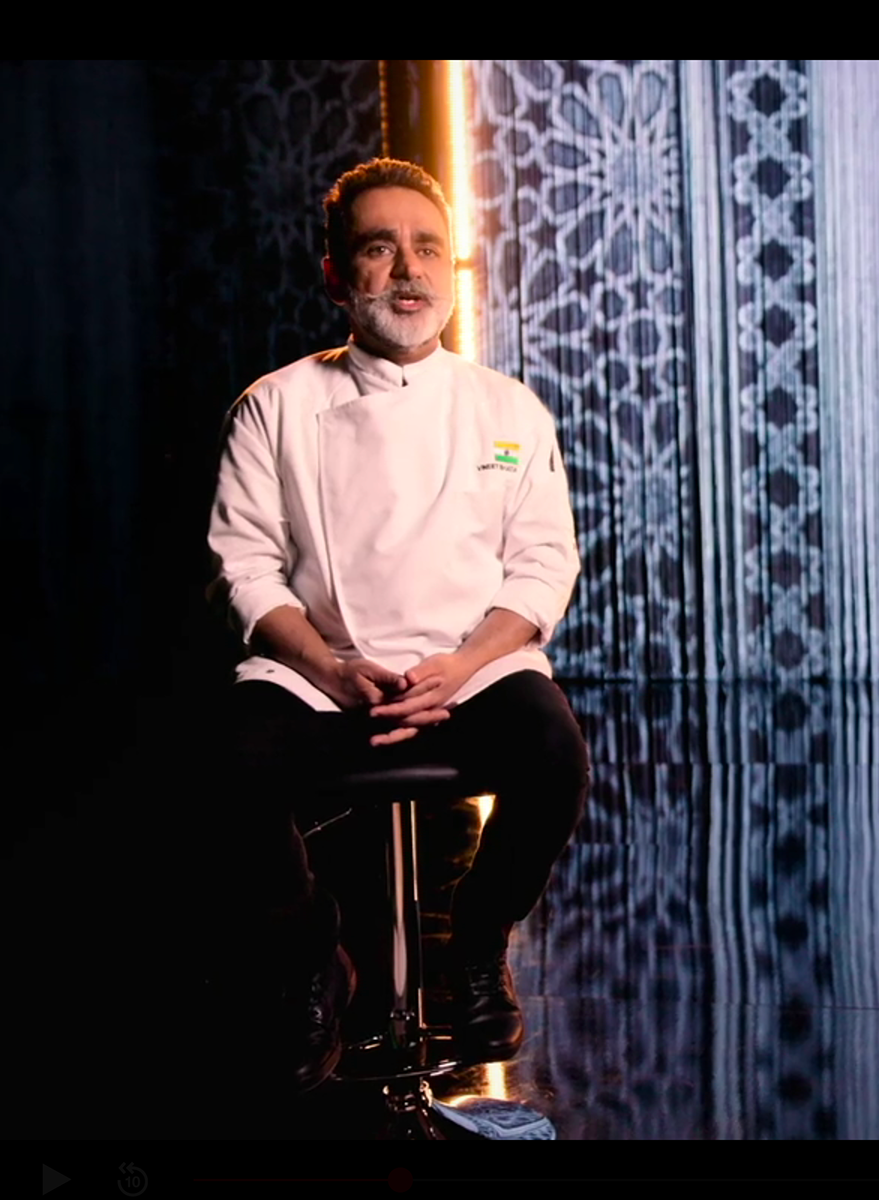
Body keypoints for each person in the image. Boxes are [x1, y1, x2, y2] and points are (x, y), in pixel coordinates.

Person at [201, 158, 588, 1092]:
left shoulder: (508, 410)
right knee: (229, 767)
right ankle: (309, 957)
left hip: (472, 666)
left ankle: (475, 941)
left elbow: (544, 565)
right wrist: (332, 669)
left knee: (554, 755)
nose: (409, 270)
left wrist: (463, 662)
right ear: (338, 277)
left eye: (428, 249)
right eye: (380, 249)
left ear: (452, 269)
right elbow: (242, 567)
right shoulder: (275, 405)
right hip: (322, 665)